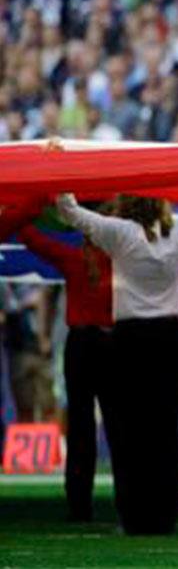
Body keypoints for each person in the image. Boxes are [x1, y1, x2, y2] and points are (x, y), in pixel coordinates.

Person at [55, 191, 178, 535]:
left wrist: (59, 173)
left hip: (129, 339)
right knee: (164, 427)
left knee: (129, 429)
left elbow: (71, 213)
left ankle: (134, 515)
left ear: (127, 204)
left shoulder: (118, 232)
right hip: (167, 337)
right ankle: (164, 515)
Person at [7, 199, 112, 521]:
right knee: (120, 422)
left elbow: (29, 237)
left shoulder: (73, 259)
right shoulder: (123, 260)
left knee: (79, 425)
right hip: (112, 342)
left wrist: (32, 203)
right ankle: (132, 499)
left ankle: (79, 504)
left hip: (81, 345)